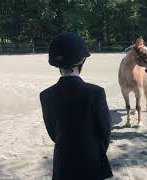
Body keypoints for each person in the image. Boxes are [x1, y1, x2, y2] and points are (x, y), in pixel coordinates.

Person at [40, 32, 113, 180]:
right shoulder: (96, 93)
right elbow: (105, 131)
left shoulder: (45, 95)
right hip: (92, 161)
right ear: (81, 60)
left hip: (63, 162)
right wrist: (95, 151)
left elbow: (53, 133)